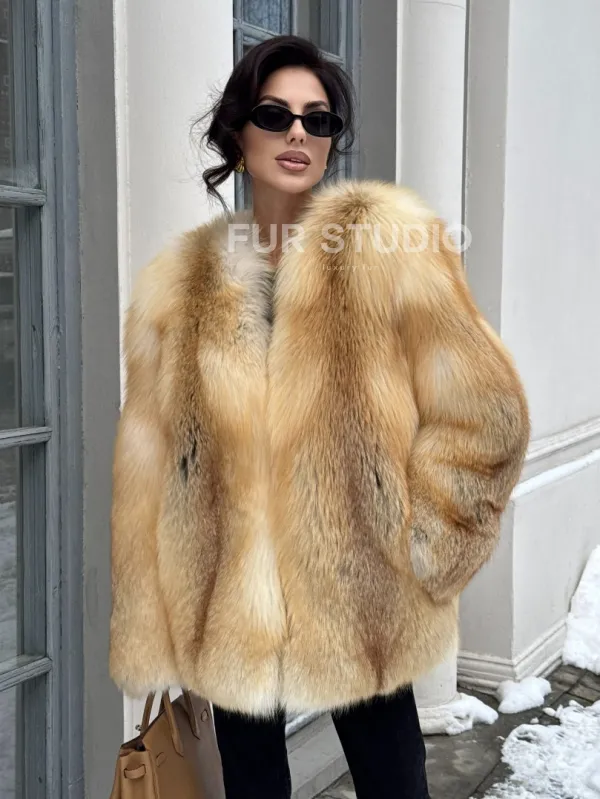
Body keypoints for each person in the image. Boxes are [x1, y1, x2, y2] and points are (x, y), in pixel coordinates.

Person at [109, 35, 530, 799]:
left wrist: (425, 549)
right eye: (275, 115)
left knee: (393, 779)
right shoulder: (180, 284)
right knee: (252, 784)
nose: (298, 132)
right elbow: (153, 454)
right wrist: (166, 606)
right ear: (239, 132)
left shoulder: (390, 251)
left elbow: (485, 411)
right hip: (234, 596)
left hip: (361, 585)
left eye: (319, 118)